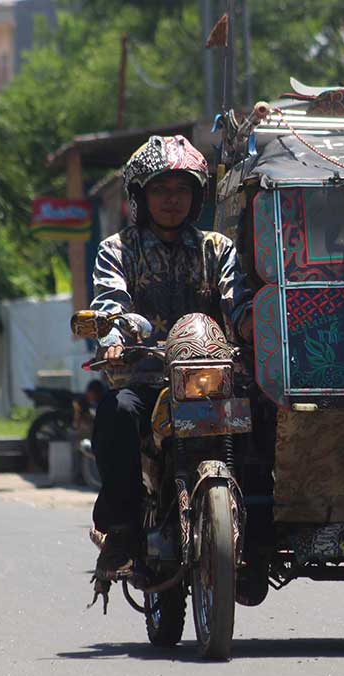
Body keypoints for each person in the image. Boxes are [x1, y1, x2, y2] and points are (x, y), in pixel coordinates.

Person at [90, 135, 252, 579]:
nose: (171, 199)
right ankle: (121, 532)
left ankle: (262, 528)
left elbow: (237, 300)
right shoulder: (117, 250)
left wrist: (255, 324)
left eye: (182, 189)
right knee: (117, 413)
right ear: (140, 196)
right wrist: (116, 335)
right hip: (146, 380)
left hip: (212, 381)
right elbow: (111, 303)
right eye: (160, 189)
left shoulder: (217, 248)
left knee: (267, 416)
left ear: (196, 196)